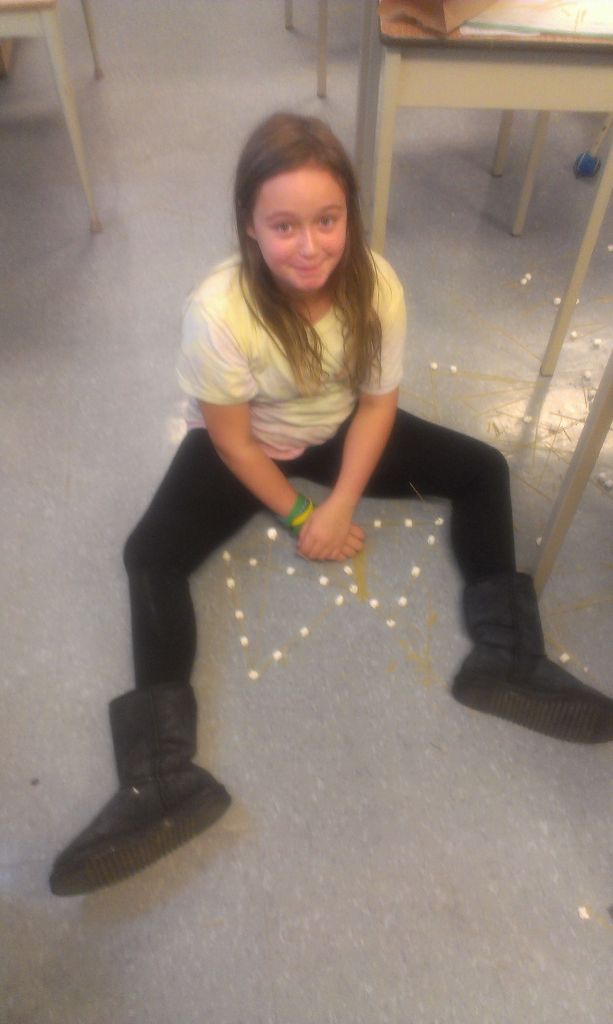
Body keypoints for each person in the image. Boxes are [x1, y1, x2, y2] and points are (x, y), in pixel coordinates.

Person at [50, 113, 613, 896]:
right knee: (148, 555)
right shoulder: (217, 314)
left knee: (482, 469)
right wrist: (299, 516)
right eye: (284, 225)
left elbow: (377, 405)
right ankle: (161, 779)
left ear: (349, 213)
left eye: (327, 220)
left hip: (338, 424)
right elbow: (232, 443)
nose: (310, 246)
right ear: (249, 225)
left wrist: (342, 500)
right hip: (252, 442)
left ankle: (507, 660)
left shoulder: (375, 285)